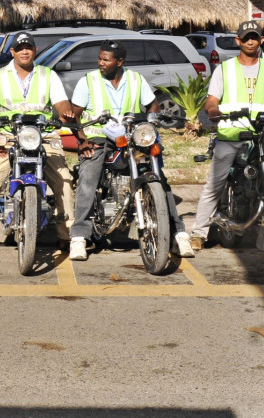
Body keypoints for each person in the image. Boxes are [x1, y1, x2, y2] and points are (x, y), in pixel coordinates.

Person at [189, 20, 264, 250]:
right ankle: (199, 232)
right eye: (245, 38)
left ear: (260, 41)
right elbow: (212, 101)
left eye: (254, 37)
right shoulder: (224, 69)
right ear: (238, 41)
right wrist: (213, 111)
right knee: (215, 183)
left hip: (263, 135)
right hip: (231, 134)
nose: (250, 41)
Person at [66, 40, 193, 261]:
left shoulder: (135, 79)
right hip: (100, 136)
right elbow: (73, 113)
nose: (100, 63)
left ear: (120, 62)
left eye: (106, 59)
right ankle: (79, 236)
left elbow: (152, 105)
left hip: (132, 135)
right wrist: (82, 140)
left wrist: (151, 124)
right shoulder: (88, 81)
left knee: (159, 177)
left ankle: (178, 232)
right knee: (89, 174)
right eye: (100, 58)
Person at [0, 31, 75, 257]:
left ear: (35, 51)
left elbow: (61, 103)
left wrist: (66, 113)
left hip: (43, 135)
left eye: (28, 47)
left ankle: (67, 235)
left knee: (64, 182)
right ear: (12, 52)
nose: (24, 51)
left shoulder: (48, 75)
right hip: (9, 136)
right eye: (19, 47)